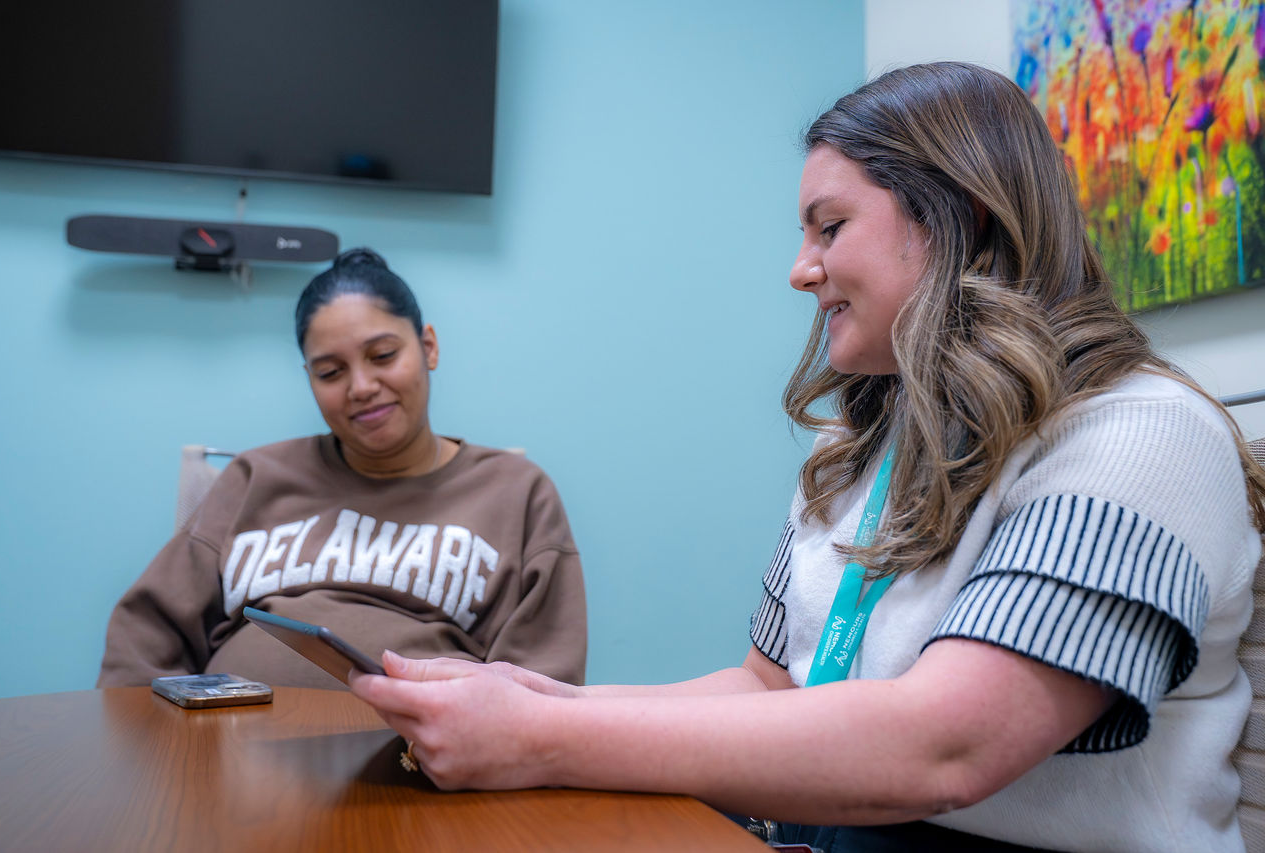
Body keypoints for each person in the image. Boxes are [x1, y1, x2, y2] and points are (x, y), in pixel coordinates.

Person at [347, 63, 1265, 853]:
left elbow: (945, 747)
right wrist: (533, 698)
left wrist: (543, 737)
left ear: (963, 224)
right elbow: (767, 684)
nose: (800, 268)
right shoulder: (865, 442)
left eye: (829, 227)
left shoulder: (1145, 435)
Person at [98, 248, 587, 689]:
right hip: (226, 757)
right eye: (330, 372)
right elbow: (144, 638)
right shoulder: (255, 478)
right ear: (309, 378)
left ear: (429, 347)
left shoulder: (517, 493)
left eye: (383, 355)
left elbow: (538, 689)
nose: (361, 386)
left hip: (419, 774)